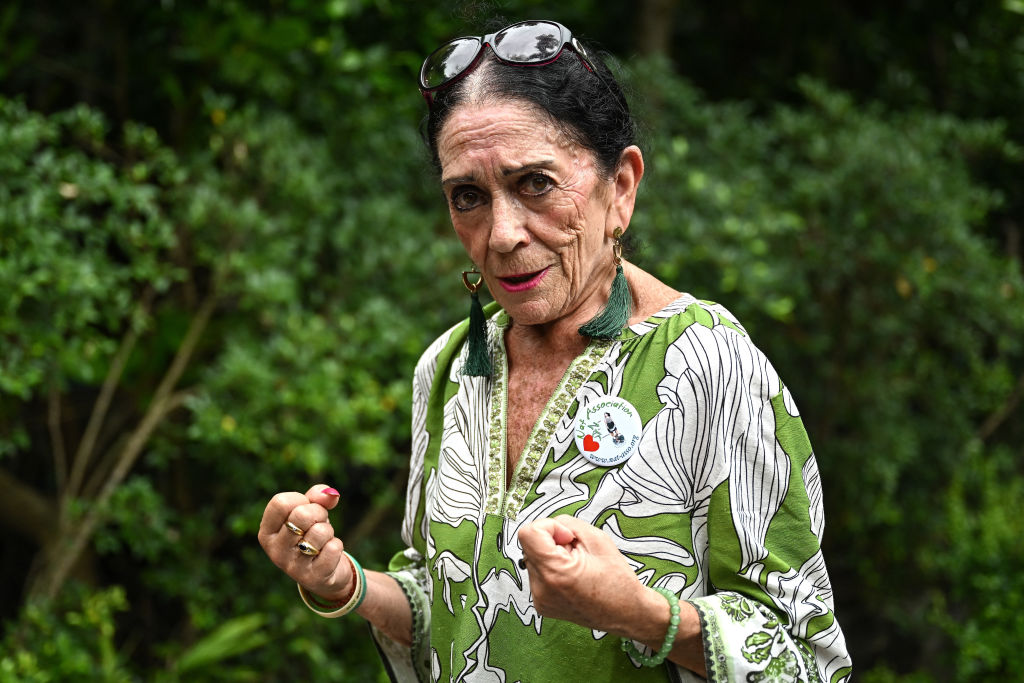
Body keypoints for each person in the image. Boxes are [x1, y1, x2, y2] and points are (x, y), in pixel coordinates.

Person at [258, 19, 852, 682]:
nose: (502, 234)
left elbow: (804, 659)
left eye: (535, 184)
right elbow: (450, 605)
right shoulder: (451, 369)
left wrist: (641, 614)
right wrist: (346, 583)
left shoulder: (712, 366)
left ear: (620, 185)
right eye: (468, 197)